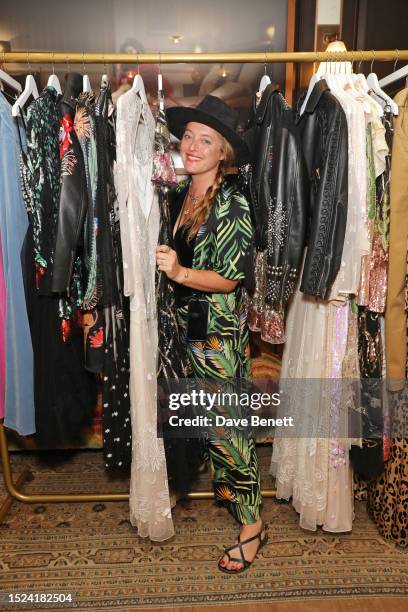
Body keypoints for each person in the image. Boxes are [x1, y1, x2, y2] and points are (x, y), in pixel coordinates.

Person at [156, 95, 267, 573]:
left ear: (223, 152)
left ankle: (253, 526)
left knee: (228, 430)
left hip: (216, 334)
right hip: (187, 329)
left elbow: (230, 278)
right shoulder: (183, 194)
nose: (193, 146)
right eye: (188, 137)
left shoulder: (232, 201)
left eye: (206, 140)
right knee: (209, 426)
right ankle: (232, 502)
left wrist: (179, 273)